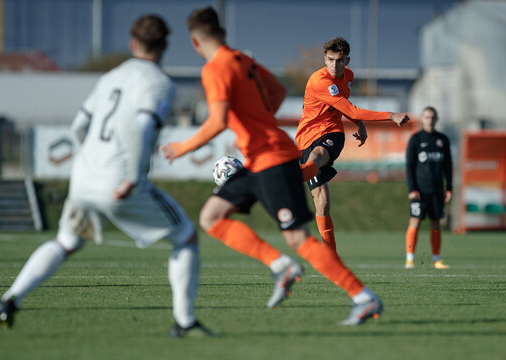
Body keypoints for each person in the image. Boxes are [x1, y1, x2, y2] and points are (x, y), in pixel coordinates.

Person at [0, 14, 213, 338]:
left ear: (131, 43)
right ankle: (185, 322)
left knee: (66, 241)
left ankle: (10, 299)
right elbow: (142, 125)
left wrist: (92, 160)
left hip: (83, 177)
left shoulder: (111, 77)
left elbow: (79, 126)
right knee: (185, 237)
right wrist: (133, 176)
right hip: (119, 179)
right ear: (165, 44)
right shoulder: (158, 83)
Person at [162, 7, 383, 325]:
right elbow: (277, 91)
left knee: (297, 239)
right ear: (222, 34)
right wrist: (259, 120)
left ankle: (363, 298)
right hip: (257, 158)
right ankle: (281, 266)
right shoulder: (243, 61)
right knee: (211, 216)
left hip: (272, 158)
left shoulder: (214, 69)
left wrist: (183, 147)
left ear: (195, 43)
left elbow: (218, 121)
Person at [297, 36, 410, 252]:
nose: (333, 65)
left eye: (339, 60)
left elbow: (345, 107)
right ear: (324, 58)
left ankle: (332, 259)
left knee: (319, 155)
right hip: (306, 137)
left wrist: (359, 124)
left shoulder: (348, 76)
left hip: (332, 133)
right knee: (322, 203)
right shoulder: (320, 81)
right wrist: (390, 115)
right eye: (329, 59)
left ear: (347, 60)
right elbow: (352, 109)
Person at [405, 106, 452, 269]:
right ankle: (410, 258)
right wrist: (412, 189)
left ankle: (436, 258)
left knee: (436, 223)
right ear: (422, 119)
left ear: (436, 119)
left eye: (432, 117)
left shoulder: (442, 140)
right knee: (415, 222)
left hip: (437, 190)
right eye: (426, 117)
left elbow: (448, 166)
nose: (429, 120)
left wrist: (449, 188)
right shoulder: (415, 139)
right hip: (420, 191)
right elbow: (409, 166)